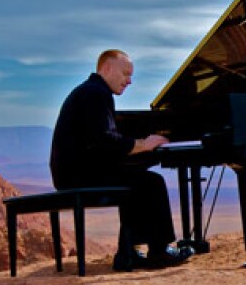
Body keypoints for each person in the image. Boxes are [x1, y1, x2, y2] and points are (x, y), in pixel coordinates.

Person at [50, 49, 193, 272]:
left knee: (137, 181)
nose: (130, 81)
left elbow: (100, 143)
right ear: (106, 68)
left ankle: (129, 252)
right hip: (77, 175)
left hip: (75, 171)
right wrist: (143, 144)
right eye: (125, 73)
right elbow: (104, 141)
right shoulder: (96, 93)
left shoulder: (90, 91)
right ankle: (158, 251)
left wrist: (136, 147)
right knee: (151, 183)